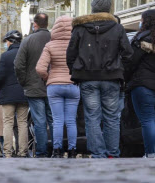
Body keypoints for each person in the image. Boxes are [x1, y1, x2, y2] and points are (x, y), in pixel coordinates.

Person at [66, 0, 133, 158]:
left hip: (87, 78)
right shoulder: (117, 28)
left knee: (92, 117)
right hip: (112, 77)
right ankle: (112, 153)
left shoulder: (80, 28)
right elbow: (128, 54)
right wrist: (121, 71)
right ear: (109, 9)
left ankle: (98, 154)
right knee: (112, 117)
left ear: (92, 9)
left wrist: (76, 71)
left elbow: (70, 55)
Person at [36, 16, 80, 158]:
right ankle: (73, 151)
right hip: (73, 84)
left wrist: (48, 77)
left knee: (58, 120)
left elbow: (40, 68)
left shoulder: (50, 45)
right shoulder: (77, 43)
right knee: (71, 120)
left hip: (54, 86)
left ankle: (57, 150)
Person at [14, 13, 53, 157]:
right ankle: (56, 149)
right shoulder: (54, 38)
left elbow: (18, 65)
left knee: (40, 121)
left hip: (33, 87)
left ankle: (42, 152)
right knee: (54, 119)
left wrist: (24, 81)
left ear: (35, 24)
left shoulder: (28, 40)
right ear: (47, 23)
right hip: (52, 85)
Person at [124, 9, 155, 158]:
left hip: (142, 85)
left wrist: (126, 79)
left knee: (148, 120)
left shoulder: (141, 38)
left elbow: (131, 62)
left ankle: (151, 153)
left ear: (145, 21)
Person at [0, 30, 28, 158]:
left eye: (7, 41)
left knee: (8, 122)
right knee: (22, 122)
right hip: (23, 93)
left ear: (10, 42)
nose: (6, 44)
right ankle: (23, 152)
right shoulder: (26, 54)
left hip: (7, 94)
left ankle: (8, 152)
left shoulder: (5, 56)